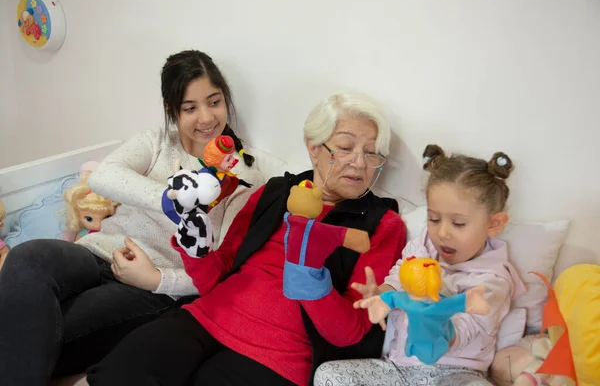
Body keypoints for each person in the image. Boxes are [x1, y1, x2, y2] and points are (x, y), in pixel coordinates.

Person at [85, 92, 407, 386]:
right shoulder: (275, 192)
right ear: (313, 147)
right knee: (120, 371)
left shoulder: (382, 225)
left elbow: (347, 332)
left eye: (372, 153)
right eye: (346, 147)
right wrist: (196, 250)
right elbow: (218, 273)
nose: (359, 163)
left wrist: (309, 276)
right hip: (206, 317)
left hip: (279, 357)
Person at [0, 50, 263, 386]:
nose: (207, 117)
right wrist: (169, 200)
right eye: (190, 107)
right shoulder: (156, 142)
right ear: (172, 110)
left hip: (148, 286)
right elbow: (103, 176)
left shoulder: (241, 179)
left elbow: (223, 271)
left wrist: (155, 279)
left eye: (214, 102)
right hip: (96, 252)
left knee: (37, 332)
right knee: (29, 255)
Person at [314, 144, 527, 386]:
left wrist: (431, 318)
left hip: (455, 374)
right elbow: (398, 277)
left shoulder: (493, 280)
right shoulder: (425, 244)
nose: (443, 233)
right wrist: (381, 295)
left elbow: (464, 331)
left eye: (458, 224)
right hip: (397, 369)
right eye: (434, 219)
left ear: (493, 224)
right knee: (328, 374)